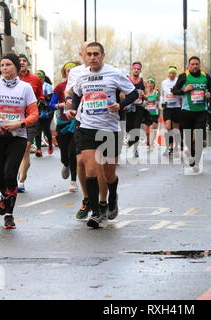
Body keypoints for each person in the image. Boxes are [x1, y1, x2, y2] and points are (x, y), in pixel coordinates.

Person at [70, 42, 138, 228]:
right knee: (91, 169)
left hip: (109, 129)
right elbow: (77, 95)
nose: (93, 57)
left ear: (103, 55)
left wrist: (120, 105)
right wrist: (73, 109)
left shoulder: (114, 73)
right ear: (85, 56)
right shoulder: (81, 75)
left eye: (96, 54)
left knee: (109, 174)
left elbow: (133, 94)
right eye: (89, 54)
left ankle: (112, 196)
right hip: (87, 128)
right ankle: (96, 211)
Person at [0, 53, 38, 229]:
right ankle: (5, 195)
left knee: (10, 174)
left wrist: (20, 123)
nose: (4, 68)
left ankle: (9, 216)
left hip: (17, 137)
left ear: (16, 68)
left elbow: (34, 114)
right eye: (2, 65)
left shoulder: (25, 88)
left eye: (8, 65)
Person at [64, 41, 109, 220]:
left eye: (94, 53)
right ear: (81, 53)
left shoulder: (108, 70)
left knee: (101, 165)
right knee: (81, 161)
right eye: (86, 52)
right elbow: (70, 93)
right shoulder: (75, 72)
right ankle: (87, 199)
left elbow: (120, 92)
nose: (90, 56)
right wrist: (70, 104)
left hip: (103, 122)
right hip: (82, 120)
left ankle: (103, 201)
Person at [172, 56, 211, 170]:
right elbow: (174, 91)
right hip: (187, 111)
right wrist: (184, 90)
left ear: (199, 65)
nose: (195, 66)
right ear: (189, 66)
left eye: (197, 64)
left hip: (201, 111)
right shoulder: (184, 76)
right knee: (188, 137)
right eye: (192, 64)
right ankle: (191, 154)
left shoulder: (205, 76)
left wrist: (210, 94)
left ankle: (197, 159)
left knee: (199, 136)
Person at [17, 54, 45, 193]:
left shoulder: (35, 79)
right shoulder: (11, 79)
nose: (22, 63)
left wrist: (40, 101)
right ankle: (17, 171)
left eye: (24, 61)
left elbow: (41, 95)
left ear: (28, 64)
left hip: (31, 118)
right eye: (19, 61)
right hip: (14, 119)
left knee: (26, 147)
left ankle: (21, 181)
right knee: (16, 150)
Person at [50, 62, 79, 192]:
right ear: (64, 73)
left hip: (77, 123)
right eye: (68, 71)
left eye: (73, 70)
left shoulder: (81, 85)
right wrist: (61, 105)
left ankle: (73, 181)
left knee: (73, 152)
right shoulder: (59, 87)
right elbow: (51, 104)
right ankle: (65, 164)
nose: (70, 72)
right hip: (62, 123)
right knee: (64, 153)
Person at [125, 62, 146, 158]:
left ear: (140, 70)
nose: (136, 70)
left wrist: (143, 95)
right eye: (135, 69)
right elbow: (123, 93)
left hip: (139, 107)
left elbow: (147, 96)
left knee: (136, 128)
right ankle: (132, 141)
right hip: (129, 107)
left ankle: (135, 149)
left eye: (138, 69)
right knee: (129, 128)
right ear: (132, 69)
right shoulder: (127, 80)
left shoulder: (143, 81)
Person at [160, 66, 182, 157]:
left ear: (176, 74)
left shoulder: (178, 82)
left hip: (177, 107)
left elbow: (182, 94)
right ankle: (170, 146)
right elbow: (162, 95)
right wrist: (162, 102)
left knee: (176, 129)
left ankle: (175, 148)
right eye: (170, 73)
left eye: (174, 73)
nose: (172, 74)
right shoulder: (164, 83)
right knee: (168, 127)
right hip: (167, 108)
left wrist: (177, 94)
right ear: (168, 74)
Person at [34, 70, 54, 157]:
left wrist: (41, 98)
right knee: (37, 130)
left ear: (43, 78)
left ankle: (50, 144)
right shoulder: (33, 86)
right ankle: (38, 149)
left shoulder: (47, 86)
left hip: (47, 111)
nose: (39, 80)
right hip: (36, 110)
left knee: (46, 129)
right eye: (37, 78)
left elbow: (51, 98)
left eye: (40, 78)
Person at [142, 78, 160, 148]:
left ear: (153, 85)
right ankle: (148, 142)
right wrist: (144, 103)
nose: (150, 84)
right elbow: (141, 103)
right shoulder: (144, 93)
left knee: (151, 129)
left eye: (151, 83)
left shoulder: (156, 92)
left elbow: (159, 103)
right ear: (146, 84)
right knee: (147, 132)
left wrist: (159, 114)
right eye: (148, 82)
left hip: (154, 113)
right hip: (146, 114)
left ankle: (151, 144)